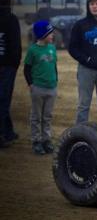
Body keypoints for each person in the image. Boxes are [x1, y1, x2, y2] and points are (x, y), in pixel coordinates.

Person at [69, 0, 97, 123]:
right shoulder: (79, 25)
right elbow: (72, 48)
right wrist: (86, 59)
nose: (95, 6)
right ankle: (80, 133)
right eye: (92, 4)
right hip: (85, 70)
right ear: (88, 6)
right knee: (83, 104)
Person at [24, 20, 57, 155]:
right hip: (38, 88)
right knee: (36, 116)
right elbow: (27, 69)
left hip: (51, 88)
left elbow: (54, 66)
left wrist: (56, 80)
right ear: (42, 35)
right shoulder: (33, 50)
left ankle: (46, 140)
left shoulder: (52, 48)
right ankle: (36, 141)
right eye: (50, 33)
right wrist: (31, 84)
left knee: (47, 116)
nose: (53, 35)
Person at [0, 0, 21, 148]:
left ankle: (8, 131)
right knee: (4, 100)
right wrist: (15, 64)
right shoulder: (11, 19)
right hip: (7, 66)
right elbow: (15, 46)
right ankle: (3, 134)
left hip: (7, 65)